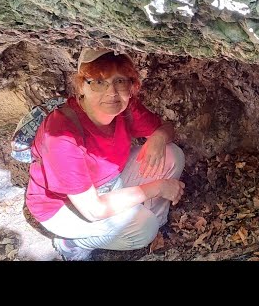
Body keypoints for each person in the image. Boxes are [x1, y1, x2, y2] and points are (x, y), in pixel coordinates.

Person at [25, 48, 186, 261]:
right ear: (81, 86)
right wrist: (157, 187)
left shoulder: (124, 108)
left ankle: (156, 222)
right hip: (65, 205)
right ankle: (73, 243)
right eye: (99, 81)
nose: (112, 92)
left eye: (121, 81)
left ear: (131, 86)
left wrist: (158, 136)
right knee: (143, 229)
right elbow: (94, 209)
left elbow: (167, 129)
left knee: (171, 154)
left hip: (110, 183)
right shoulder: (61, 134)